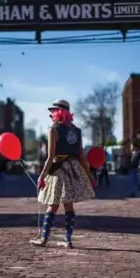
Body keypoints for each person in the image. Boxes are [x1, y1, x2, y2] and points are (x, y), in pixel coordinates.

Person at [30, 99, 96, 249]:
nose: (51, 114)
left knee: (52, 205)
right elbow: (81, 156)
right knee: (68, 205)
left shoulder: (53, 130)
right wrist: (90, 177)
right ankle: (68, 240)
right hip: (73, 170)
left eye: (52, 111)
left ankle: (43, 239)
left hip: (58, 170)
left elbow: (50, 156)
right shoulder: (77, 131)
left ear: (58, 112)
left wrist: (42, 176)